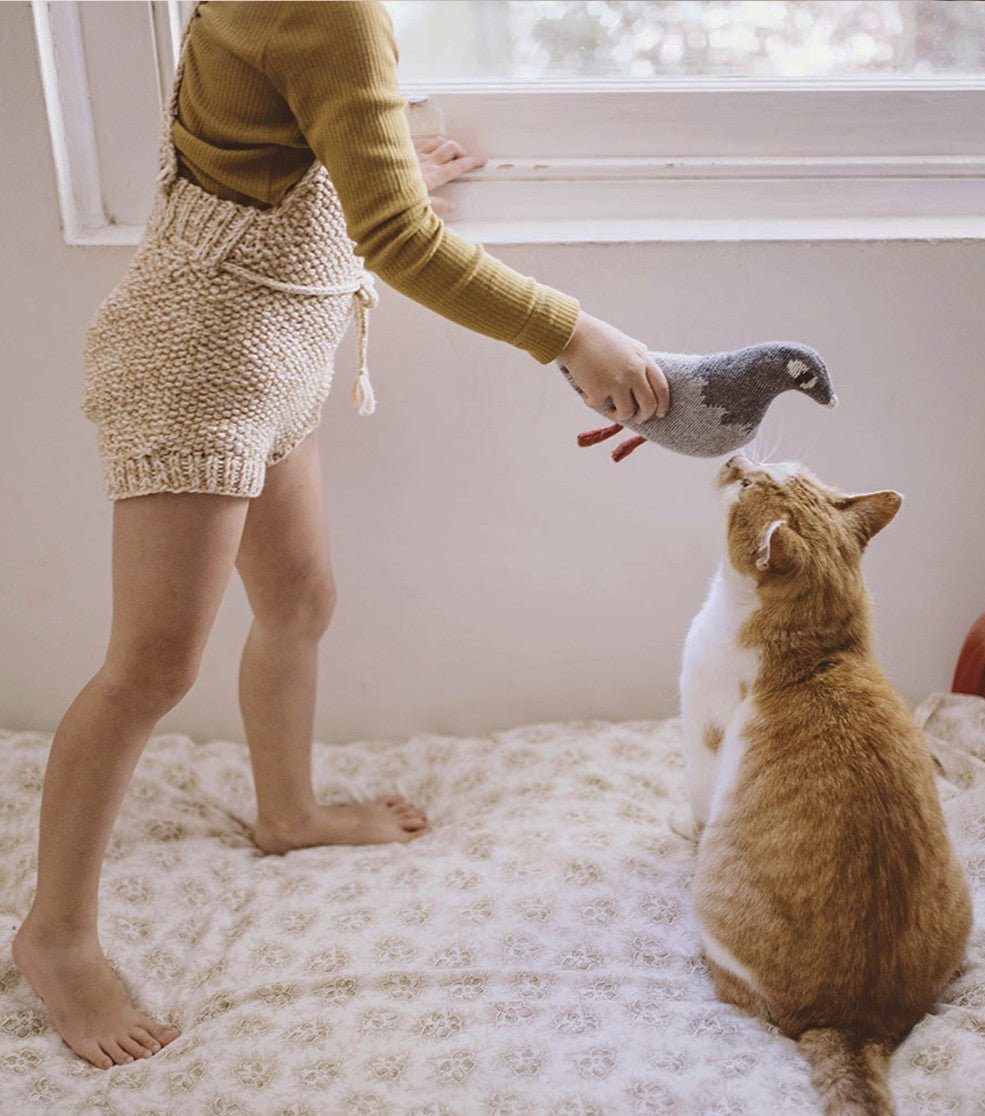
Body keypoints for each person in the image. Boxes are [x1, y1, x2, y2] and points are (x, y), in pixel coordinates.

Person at [11, 0, 670, 1071]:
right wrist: (574, 335)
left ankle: (287, 811)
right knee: (150, 667)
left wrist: (388, 156)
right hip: (197, 371)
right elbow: (398, 240)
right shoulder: (331, 9)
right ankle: (56, 935)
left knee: (301, 601)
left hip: (262, 358)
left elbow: (257, 126)